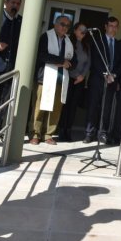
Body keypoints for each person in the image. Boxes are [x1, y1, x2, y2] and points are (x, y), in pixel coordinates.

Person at [30, 15, 75, 145]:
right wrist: (61, 61)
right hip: (44, 78)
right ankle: (35, 133)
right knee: (40, 107)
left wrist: (69, 64)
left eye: (67, 25)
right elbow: (42, 55)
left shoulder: (68, 41)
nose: (64, 27)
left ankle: (48, 134)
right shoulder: (46, 36)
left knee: (55, 109)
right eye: (62, 24)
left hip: (61, 79)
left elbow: (73, 60)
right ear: (55, 24)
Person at [0, 0, 22, 137]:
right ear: (6, 3)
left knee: (2, 100)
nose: (15, 6)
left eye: (18, 3)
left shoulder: (20, 21)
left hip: (9, 68)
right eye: (13, 2)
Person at [83, 16, 120, 144]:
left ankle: (102, 133)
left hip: (111, 82)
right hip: (97, 79)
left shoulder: (119, 44)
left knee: (107, 108)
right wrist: (104, 74)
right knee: (93, 106)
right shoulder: (97, 40)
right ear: (105, 26)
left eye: (115, 26)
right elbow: (94, 60)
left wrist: (114, 76)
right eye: (111, 25)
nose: (113, 28)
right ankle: (89, 133)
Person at [56, 22, 90, 142]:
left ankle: (68, 130)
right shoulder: (68, 42)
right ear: (75, 30)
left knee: (73, 106)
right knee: (65, 105)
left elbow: (88, 63)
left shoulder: (87, 45)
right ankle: (61, 130)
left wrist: (82, 76)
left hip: (80, 80)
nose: (83, 32)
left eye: (85, 30)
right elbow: (66, 59)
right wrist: (74, 75)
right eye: (81, 29)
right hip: (68, 78)